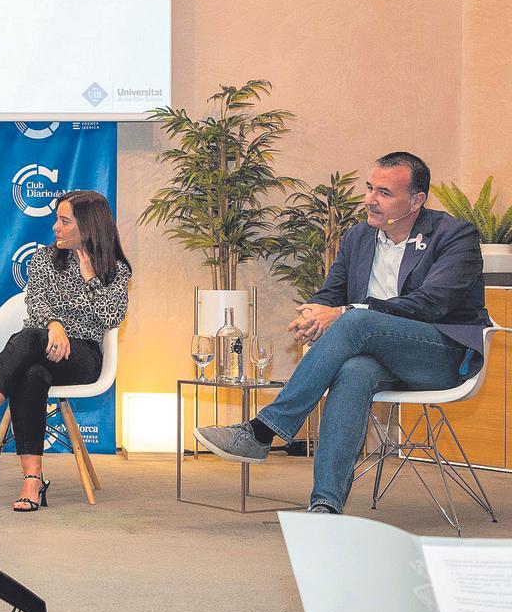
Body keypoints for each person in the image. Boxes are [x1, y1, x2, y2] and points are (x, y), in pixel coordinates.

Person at [194, 152, 491, 514]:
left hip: (440, 354)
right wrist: (313, 314)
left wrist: (346, 312)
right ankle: (325, 504)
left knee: (355, 320)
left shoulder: (454, 235)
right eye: (369, 188)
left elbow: (431, 304)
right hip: (377, 356)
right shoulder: (358, 238)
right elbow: (330, 295)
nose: (369, 199)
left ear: (416, 201)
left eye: (384, 192)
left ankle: (264, 428)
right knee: (353, 370)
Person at [0, 190, 131, 512]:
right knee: (32, 372)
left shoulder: (115, 269)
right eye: (57, 218)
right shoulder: (43, 258)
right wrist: (55, 326)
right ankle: (33, 479)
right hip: (43, 345)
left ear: (88, 226)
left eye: (64, 220)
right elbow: (36, 302)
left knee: (28, 339)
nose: (55, 226)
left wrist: (92, 279)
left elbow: (111, 318)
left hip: (82, 358)